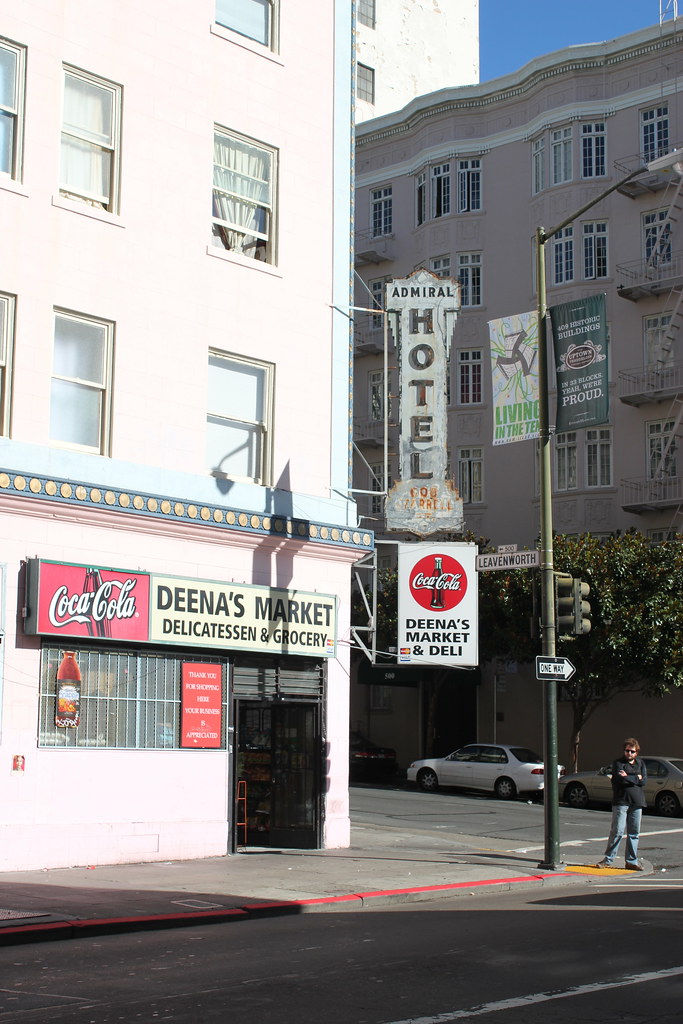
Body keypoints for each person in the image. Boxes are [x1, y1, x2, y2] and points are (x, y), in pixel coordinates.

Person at [597, 738, 647, 870]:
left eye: (632, 751)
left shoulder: (641, 763)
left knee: (634, 833)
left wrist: (629, 777)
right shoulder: (618, 763)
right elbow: (620, 780)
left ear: (636, 753)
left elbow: (644, 781)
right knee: (617, 831)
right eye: (627, 751)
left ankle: (631, 861)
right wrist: (636, 778)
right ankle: (608, 859)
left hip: (637, 802)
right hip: (621, 801)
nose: (629, 753)